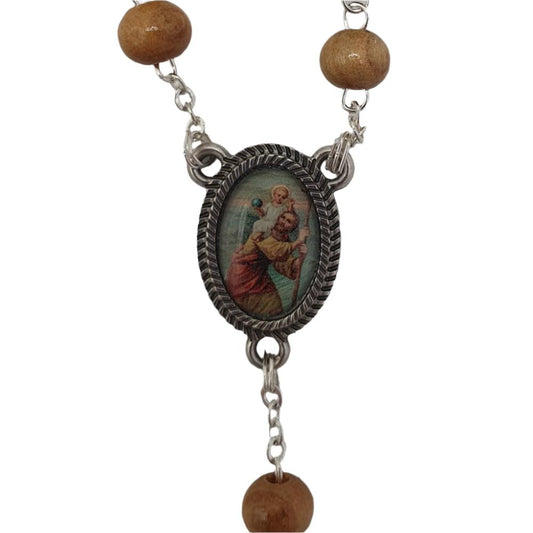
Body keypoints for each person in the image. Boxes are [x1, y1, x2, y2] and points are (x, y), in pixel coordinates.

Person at [226, 211, 309, 319]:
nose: (283, 221)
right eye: (283, 217)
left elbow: (284, 264)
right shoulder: (264, 229)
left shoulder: (283, 239)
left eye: (288, 221)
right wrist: (298, 241)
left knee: (274, 304)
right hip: (243, 276)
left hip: (259, 276)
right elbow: (274, 250)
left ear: (291, 228)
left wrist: (301, 258)